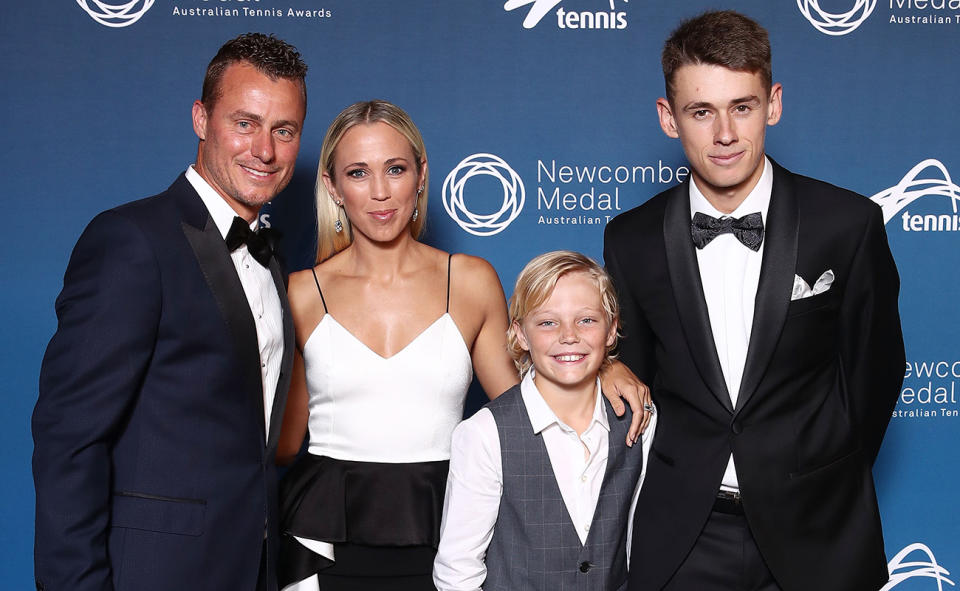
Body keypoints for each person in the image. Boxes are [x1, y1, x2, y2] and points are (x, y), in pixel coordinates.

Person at [275, 100, 652, 591]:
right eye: (358, 173)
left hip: (445, 526)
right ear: (333, 187)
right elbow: (282, 445)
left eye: (395, 168)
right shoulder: (302, 292)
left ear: (421, 175)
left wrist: (603, 368)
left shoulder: (470, 281)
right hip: (320, 540)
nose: (382, 191)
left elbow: (524, 406)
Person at [603, 11, 905, 591]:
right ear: (669, 119)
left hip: (817, 527)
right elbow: (635, 373)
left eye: (742, 106)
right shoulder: (630, 238)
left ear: (774, 104)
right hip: (683, 533)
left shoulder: (847, 224)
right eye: (701, 111)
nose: (724, 133)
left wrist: (818, 472)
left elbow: (876, 372)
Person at [32, 33, 307, 591]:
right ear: (201, 119)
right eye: (245, 123)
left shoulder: (274, 259)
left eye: (284, 130)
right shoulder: (131, 240)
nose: (265, 150)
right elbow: (70, 439)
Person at [432, 250, 657, 591]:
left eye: (587, 320)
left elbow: (636, 545)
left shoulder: (640, 420)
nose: (569, 335)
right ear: (521, 334)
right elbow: (457, 571)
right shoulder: (485, 434)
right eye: (548, 322)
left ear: (611, 331)